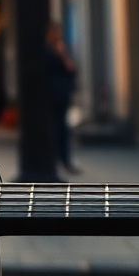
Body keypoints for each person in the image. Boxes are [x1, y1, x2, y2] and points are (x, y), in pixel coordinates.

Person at [46, 23, 79, 175]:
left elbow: (71, 70)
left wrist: (63, 55)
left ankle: (64, 161)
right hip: (52, 95)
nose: (57, 35)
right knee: (55, 129)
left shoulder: (61, 50)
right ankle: (55, 161)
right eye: (55, 32)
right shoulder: (46, 52)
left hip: (62, 94)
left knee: (62, 128)